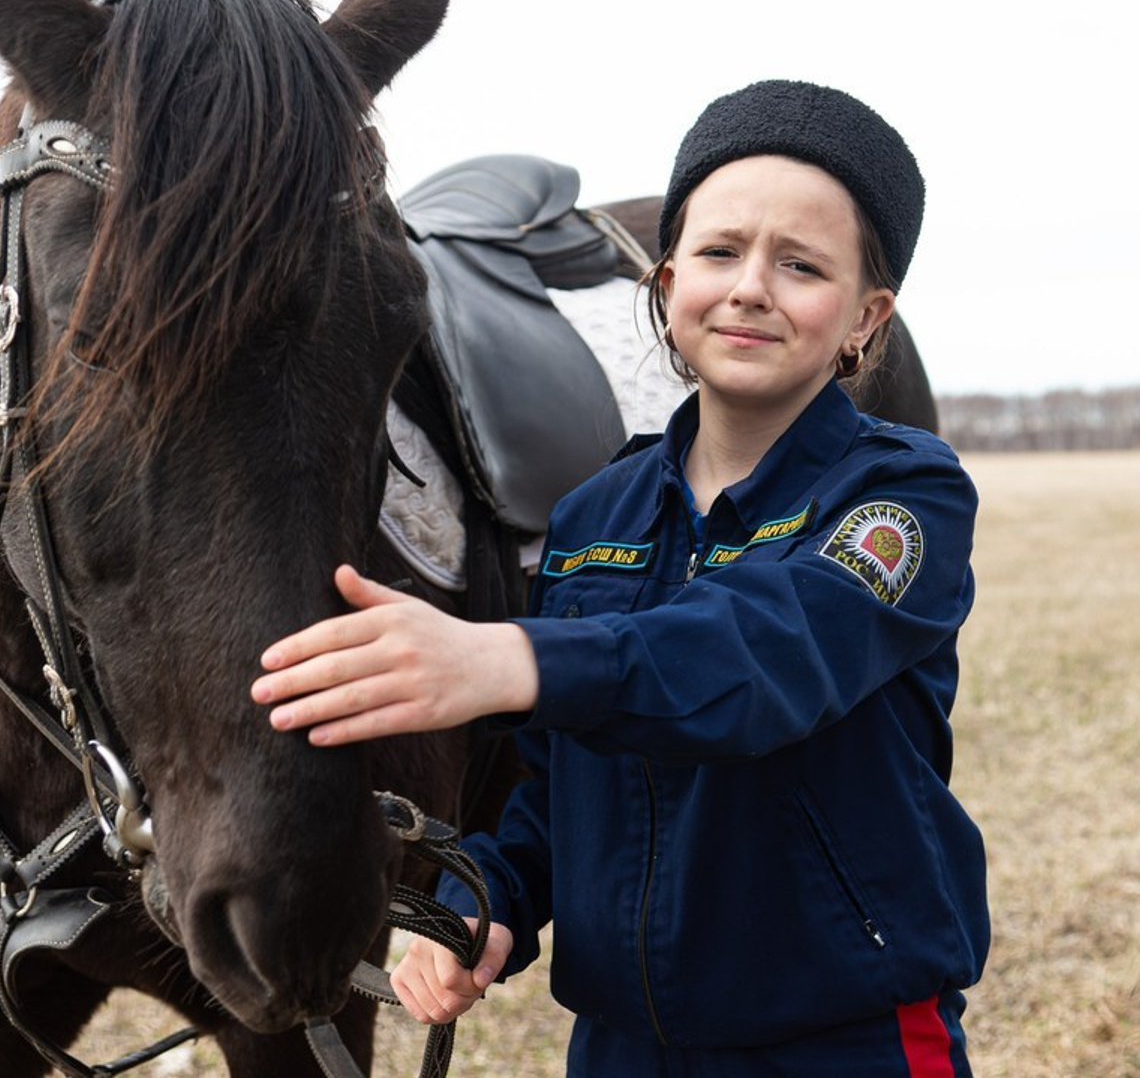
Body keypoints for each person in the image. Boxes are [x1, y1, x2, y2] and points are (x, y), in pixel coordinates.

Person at [251, 80, 990, 1075]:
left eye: (800, 264)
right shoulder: (596, 511)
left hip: (841, 1035)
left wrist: (507, 655)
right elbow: (555, 790)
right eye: (720, 251)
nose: (749, 287)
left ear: (865, 317)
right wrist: (475, 906)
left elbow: (762, 657)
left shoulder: (902, 495)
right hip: (618, 1045)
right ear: (665, 276)